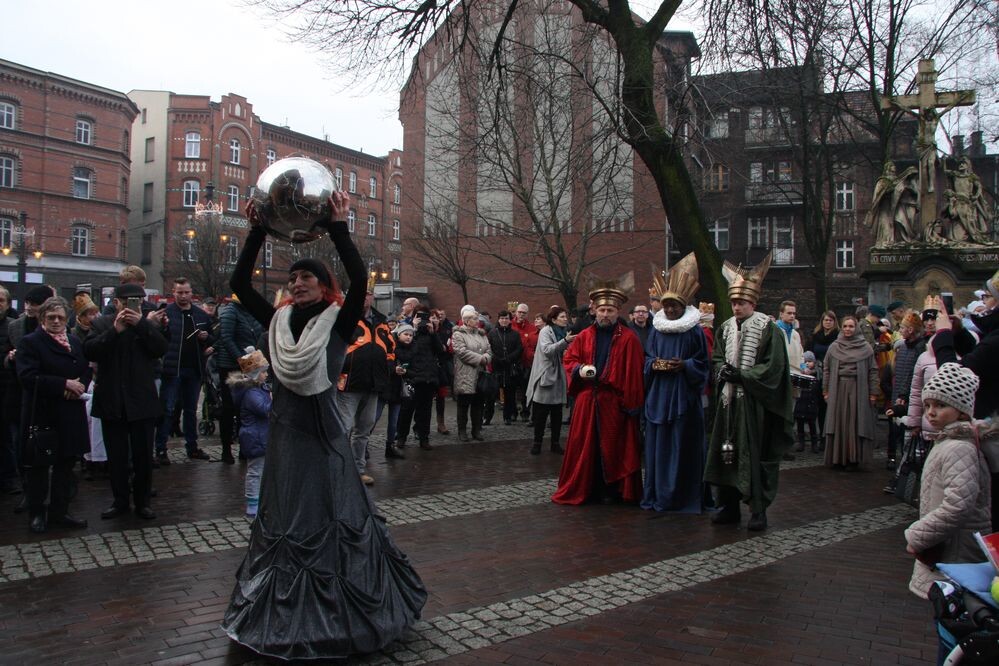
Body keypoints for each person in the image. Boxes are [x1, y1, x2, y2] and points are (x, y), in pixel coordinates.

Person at [222, 193, 426, 659]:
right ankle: (280, 610)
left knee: (331, 516)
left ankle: (340, 615)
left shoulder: (339, 320)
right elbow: (238, 280)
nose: (297, 283)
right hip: (286, 432)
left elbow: (358, 278)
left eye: (307, 276)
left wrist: (338, 224)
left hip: (323, 433)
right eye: (293, 278)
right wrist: (256, 229)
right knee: (288, 516)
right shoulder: (277, 322)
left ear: (323, 284)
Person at [903, 363, 993, 660]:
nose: (930, 412)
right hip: (949, 551)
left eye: (940, 405)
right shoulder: (950, 442)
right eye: (928, 404)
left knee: (952, 629)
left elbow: (958, 505)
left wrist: (917, 534)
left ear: (961, 408)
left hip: (955, 555)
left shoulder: (958, 448)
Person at [705, 253, 794, 531]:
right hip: (727, 403)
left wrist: (743, 375)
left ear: (752, 303)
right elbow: (718, 356)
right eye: (733, 302)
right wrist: (722, 371)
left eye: (741, 302)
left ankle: (758, 510)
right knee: (724, 453)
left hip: (754, 405)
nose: (736, 307)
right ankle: (728, 505)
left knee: (753, 456)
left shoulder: (769, 329)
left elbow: (774, 367)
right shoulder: (725, 328)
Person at [553, 282, 644, 505]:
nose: (605, 314)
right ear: (595, 311)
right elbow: (569, 359)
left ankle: (612, 490)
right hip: (587, 400)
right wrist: (578, 370)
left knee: (613, 446)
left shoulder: (629, 338)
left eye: (610, 311)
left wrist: (631, 406)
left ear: (617, 312)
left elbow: (633, 375)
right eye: (602, 310)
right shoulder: (584, 336)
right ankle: (587, 487)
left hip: (613, 402)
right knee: (585, 446)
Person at [84, 283, 167, 520]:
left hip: (141, 401)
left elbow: (160, 349)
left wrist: (142, 324)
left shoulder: (147, 325)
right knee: (117, 457)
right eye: (129, 301)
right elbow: (90, 351)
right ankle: (120, 500)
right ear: (117, 302)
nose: (134, 305)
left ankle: (142, 502)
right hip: (112, 399)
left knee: (143, 456)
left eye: (138, 301)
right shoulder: (101, 323)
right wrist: (115, 330)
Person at [16, 297, 92, 533]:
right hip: (44, 414)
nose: (56, 321)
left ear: (67, 318)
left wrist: (79, 385)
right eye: (51, 318)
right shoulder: (30, 343)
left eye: (60, 317)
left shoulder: (74, 342)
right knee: (39, 468)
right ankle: (37, 513)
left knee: (65, 467)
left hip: (70, 412)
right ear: (42, 319)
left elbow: (85, 368)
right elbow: (28, 377)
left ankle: (60, 512)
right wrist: (64, 385)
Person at [641, 254, 709, 513]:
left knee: (684, 445)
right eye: (666, 306)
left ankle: (683, 496)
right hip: (659, 395)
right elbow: (647, 359)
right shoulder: (657, 330)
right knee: (658, 447)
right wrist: (654, 364)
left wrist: (686, 366)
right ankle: (658, 494)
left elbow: (703, 364)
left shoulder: (694, 331)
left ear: (683, 306)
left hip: (684, 397)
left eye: (674, 306)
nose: (670, 310)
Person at [335, 287, 395, 486]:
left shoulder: (381, 321)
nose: (364, 297)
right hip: (349, 383)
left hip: (372, 384)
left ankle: (358, 469)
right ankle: (339, 469)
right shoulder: (344, 318)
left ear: (372, 297)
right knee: (343, 428)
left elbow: (390, 348)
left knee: (364, 430)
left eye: (367, 293)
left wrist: (387, 366)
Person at [3, 284, 55, 513]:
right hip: (19, 392)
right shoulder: (15, 327)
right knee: (21, 443)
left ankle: (52, 491)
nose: (31, 309)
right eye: (28, 304)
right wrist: (10, 358)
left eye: (35, 305)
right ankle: (28, 491)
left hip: (47, 393)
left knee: (47, 446)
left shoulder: (56, 324)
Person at [155, 278, 214, 462]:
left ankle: (193, 447)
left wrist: (206, 337)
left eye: (186, 292)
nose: (183, 296)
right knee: (167, 409)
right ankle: (161, 448)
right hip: (172, 368)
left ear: (191, 293)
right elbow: (158, 339)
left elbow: (212, 337)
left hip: (194, 368)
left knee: (190, 410)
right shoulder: (166, 313)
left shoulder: (200, 315)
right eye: (179, 292)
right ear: (173, 292)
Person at [822, 315, 878, 470]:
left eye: (851, 326)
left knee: (855, 422)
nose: (848, 329)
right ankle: (837, 457)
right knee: (839, 421)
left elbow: (873, 371)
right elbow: (827, 368)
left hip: (858, 388)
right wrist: (825, 390)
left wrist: (873, 392)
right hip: (838, 388)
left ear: (856, 328)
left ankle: (853, 458)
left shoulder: (865, 347)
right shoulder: (834, 347)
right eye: (845, 326)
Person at [215, 294, 263, 464]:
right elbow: (226, 339)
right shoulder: (230, 312)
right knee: (229, 408)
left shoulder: (252, 312)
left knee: (246, 408)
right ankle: (226, 449)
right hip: (231, 366)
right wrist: (243, 361)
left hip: (250, 364)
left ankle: (244, 448)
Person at [525, 306, 576, 455]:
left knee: (557, 413)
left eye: (565, 316)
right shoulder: (546, 331)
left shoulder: (565, 331)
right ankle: (537, 443)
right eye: (562, 317)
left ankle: (555, 443)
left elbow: (566, 350)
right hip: (546, 375)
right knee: (541, 413)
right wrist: (565, 342)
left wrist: (568, 347)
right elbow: (547, 350)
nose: (565, 319)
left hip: (559, 375)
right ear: (553, 319)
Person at [227, 348, 271, 518]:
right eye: (264, 372)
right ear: (256, 374)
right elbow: (264, 410)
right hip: (256, 438)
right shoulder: (252, 393)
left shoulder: (257, 390)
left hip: (260, 436)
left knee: (260, 470)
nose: (266, 375)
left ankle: (259, 499)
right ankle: (253, 502)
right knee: (255, 471)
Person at [393, 316, 444, 451]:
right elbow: (406, 352)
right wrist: (413, 330)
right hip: (413, 378)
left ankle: (424, 438)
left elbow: (440, 350)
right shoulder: (409, 335)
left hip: (428, 378)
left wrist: (433, 332)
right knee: (407, 410)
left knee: (425, 412)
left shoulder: (431, 335)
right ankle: (402, 437)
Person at [886, 313, 926, 466]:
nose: (900, 330)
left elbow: (913, 374)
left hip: (909, 397)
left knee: (906, 433)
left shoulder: (919, 348)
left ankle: (906, 463)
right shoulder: (902, 348)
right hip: (898, 394)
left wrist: (904, 394)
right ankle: (893, 459)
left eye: (902, 327)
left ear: (910, 330)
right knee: (894, 429)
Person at [451, 306, 491, 442]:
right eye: (474, 319)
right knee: (463, 405)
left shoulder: (481, 334)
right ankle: (462, 431)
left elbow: (489, 350)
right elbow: (461, 352)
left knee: (478, 404)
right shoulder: (458, 334)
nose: (477, 321)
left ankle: (476, 430)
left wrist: (486, 357)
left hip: (480, 374)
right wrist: (480, 359)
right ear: (467, 321)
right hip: (465, 374)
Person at [487, 310, 523, 426]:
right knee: (491, 395)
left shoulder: (515, 334)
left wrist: (509, 358)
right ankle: (487, 417)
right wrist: (496, 358)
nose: (504, 320)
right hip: (496, 368)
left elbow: (519, 349)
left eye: (506, 318)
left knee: (510, 395)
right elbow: (488, 348)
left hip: (509, 368)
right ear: (498, 319)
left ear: (510, 320)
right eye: (502, 318)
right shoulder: (492, 333)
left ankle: (507, 416)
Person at [0, 284, 19, 494]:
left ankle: (9, 477)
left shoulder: (13, 327)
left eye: (1, 301)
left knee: (6, 438)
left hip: (7, 388)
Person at [511, 303, 538, 421]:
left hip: (526, 363)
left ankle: (525, 412)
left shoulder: (532, 328)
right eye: (520, 312)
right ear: (516, 312)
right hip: (512, 363)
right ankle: (512, 412)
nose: (521, 314)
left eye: (524, 313)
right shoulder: (510, 325)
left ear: (527, 314)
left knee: (526, 389)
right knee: (511, 390)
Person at [793, 351, 822, 453]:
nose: (807, 363)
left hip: (811, 402)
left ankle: (814, 443)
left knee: (812, 423)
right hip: (801, 402)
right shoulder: (800, 375)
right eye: (805, 361)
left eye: (809, 361)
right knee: (800, 422)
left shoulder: (817, 374)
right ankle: (801, 443)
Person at [431, 309, 453, 435]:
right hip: (429, 367)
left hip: (442, 366)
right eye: (433, 317)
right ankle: (421, 426)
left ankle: (441, 423)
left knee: (441, 397)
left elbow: (447, 347)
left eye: (437, 317)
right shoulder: (427, 331)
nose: (435, 320)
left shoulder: (446, 330)